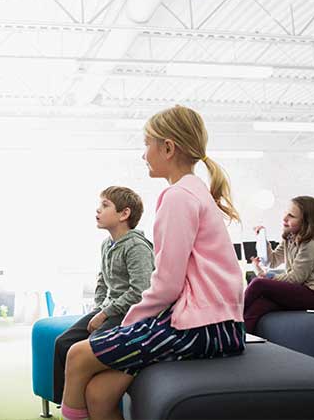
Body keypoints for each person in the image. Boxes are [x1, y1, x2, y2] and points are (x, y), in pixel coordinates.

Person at [60, 105, 246, 420]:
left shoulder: (178, 197)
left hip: (202, 329)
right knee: (99, 393)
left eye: (148, 144)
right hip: (224, 327)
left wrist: (130, 322)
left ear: (168, 147)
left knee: (77, 355)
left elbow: (167, 285)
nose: (144, 154)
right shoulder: (195, 191)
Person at [52, 186, 154, 403]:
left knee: (90, 350)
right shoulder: (107, 244)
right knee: (62, 343)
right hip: (108, 310)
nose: (97, 210)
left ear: (124, 214)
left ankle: (86, 406)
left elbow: (140, 292)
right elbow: (102, 281)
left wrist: (106, 313)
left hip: (128, 314)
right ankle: (67, 405)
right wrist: (98, 308)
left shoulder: (137, 247)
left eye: (105, 205)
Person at [244, 196, 314, 332]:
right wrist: (263, 241)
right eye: (286, 213)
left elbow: (295, 278)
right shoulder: (290, 238)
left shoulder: (311, 245)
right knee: (260, 305)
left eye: (291, 216)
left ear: (306, 223)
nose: (285, 218)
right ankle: (241, 337)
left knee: (258, 284)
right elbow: (273, 260)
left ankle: (233, 317)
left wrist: (268, 277)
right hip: (301, 292)